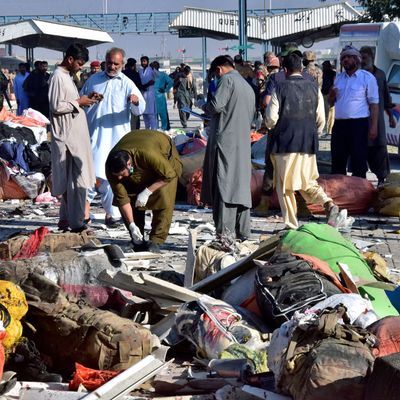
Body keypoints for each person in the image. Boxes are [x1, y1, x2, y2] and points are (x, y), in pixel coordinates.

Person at [264, 53, 338, 230]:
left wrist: (269, 126)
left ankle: (291, 224)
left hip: (285, 144)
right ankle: (327, 203)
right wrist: (313, 133)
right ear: (301, 68)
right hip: (308, 143)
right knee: (308, 182)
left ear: (285, 69)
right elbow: (321, 117)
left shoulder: (280, 88)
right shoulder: (314, 88)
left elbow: (271, 118)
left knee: (285, 186)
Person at [81, 47, 146, 227]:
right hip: (94, 135)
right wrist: (89, 99)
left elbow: (141, 108)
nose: (112, 66)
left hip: (117, 139)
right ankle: (84, 214)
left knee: (113, 175)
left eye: (116, 64)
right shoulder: (93, 80)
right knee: (91, 175)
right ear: (105, 61)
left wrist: (135, 101)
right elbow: (81, 103)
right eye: (109, 63)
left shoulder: (127, 83)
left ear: (122, 64)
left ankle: (112, 214)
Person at [201, 55, 255, 240]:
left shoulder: (227, 80)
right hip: (242, 145)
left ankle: (225, 235)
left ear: (219, 69)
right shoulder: (247, 85)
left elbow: (216, 106)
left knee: (224, 186)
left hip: (225, 144)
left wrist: (203, 104)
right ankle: (243, 232)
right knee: (240, 189)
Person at [106, 130, 182, 253]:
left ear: (128, 164)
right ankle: (137, 239)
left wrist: (147, 191)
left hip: (164, 156)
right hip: (140, 155)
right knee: (131, 196)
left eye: (121, 174)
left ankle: (156, 240)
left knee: (163, 195)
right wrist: (131, 225)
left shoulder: (148, 154)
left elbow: (169, 175)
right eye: (117, 175)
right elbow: (122, 198)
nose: (119, 178)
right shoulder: (111, 168)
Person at [48, 43, 96, 232]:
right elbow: (56, 106)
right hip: (67, 137)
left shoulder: (67, 76)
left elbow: (67, 103)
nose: (81, 67)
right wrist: (79, 102)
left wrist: (85, 99)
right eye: (79, 63)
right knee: (74, 182)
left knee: (75, 180)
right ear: (69, 59)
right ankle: (76, 222)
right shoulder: (58, 77)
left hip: (74, 136)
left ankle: (68, 219)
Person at [328, 45, 379, 178]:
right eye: (343, 58)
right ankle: (339, 192)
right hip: (339, 126)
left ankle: (359, 194)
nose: (345, 60)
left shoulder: (367, 78)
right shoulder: (338, 78)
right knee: (338, 161)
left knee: (359, 161)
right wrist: (331, 96)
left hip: (358, 125)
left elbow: (374, 104)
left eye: (349, 57)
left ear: (357, 59)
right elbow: (330, 103)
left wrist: (373, 127)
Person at [360, 46, 396, 186]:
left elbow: (386, 99)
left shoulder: (380, 75)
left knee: (379, 150)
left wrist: (391, 117)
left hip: (378, 122)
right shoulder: (357, 75)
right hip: (361, 122)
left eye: (365, 58)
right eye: (360, 58)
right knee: (360, 151)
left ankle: (382, 180)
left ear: (372, 57)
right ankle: (360, 183)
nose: (362, 61)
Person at [152, 61, 173, 131]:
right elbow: (171, 82)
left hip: (151, 97)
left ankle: (155, 128)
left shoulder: (150, 75)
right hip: (160, 96)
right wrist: (165, 89)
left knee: (153, 115)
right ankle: (165, 128)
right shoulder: (163, 75)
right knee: (163, 114)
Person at [123, 57, 143, 130]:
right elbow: (140, 86)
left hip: (123, 99)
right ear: (134, 65)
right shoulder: (135, 74)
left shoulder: (122, 74)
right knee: (135, 118)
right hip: (134, 98)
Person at [139, 56, 157, 129]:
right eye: (142, 61)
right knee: (144, 114)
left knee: (151, 114)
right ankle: (147, 130)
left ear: (147, 62)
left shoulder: (151, 69)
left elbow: (156, 77)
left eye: (144, 61)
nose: (143, 63)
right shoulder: (139, 70)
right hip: (142, 93)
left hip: (150, 93)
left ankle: (153, 131)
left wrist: (154, 69)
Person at [321, 60, 336, 136]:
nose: (323, 67)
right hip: (325, 94)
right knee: (328, 113)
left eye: (324, 66)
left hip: (328, 94)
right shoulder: (325, 73)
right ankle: (327, 130)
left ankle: (329, 131)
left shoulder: (332, 73)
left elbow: (334, 84)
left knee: (329, 113)